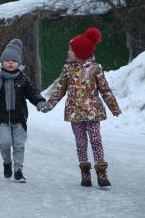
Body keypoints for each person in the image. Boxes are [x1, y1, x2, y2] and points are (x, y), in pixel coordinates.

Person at [44, 27, 121, 187]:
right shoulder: (67, 69)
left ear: (81, 52)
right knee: (80, 142)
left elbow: (105, 89)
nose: (68, 53)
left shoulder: (95, 69)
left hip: (93, 112)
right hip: (74, 112)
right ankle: (85, 172)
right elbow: (60, 89)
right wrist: (49, 104)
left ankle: (101, 171)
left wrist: (114, 107)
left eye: (70, 50)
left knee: (95, 139)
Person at [0, 39, 47, 183]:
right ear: (2, 62)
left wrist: (40, 102)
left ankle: (18, 171)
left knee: (19, 146)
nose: (10, 63)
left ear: (19, 63)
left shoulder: (23, 79)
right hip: (3, 119)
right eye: (7, 60)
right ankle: (7, 162)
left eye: (14, 60)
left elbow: (33, 93)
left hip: (20, 119)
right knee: (4, 144)